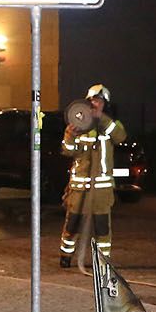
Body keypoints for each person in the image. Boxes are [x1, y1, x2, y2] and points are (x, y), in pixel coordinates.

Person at [59, 83, 128, 269]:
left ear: (105, 104)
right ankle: (66, 255)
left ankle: (102, 260)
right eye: (91, 101)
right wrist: (70, 135)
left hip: (102, 190)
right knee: (72, 223)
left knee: (101, 226)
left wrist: (102, 120)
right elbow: (68, 151)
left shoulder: (111, 125)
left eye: (98, 101)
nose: (94, 104)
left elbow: (120, 136)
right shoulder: (79, 125)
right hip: (79, 188)